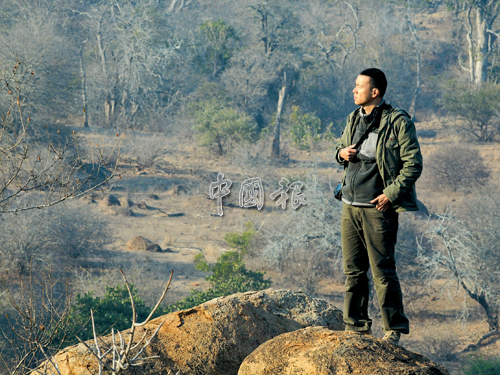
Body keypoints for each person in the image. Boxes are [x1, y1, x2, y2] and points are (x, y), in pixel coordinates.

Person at [335, 68, 423, 346]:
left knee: (383, 272)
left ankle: (393, 329)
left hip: (377, 210)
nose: (354, 90)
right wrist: (340, 153)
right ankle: (356, 327)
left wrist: (391, 194)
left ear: (375, 92)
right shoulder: (353, 118)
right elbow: (340, 148)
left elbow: (413, 164)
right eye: (354, 85)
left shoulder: (397, 122)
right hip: (350, 206)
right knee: (353, 271)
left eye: (359, 86)